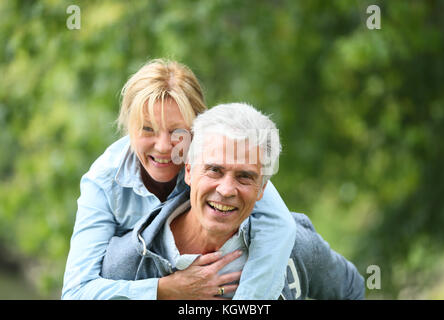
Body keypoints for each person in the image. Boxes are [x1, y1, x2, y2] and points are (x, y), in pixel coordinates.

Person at [61, 59, 297, 299]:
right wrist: (164, 290)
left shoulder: (221, 161)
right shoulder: (103, 180)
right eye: (148, 129)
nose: (163, 147)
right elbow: (75, 292)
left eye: (177, 132)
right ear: (129, 129)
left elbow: (281, 225)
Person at [101, 103, 366, 299]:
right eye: (215, 170)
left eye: (245, 177)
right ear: (189, 170)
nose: (227, 190)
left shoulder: (296, 246)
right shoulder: (128, 263)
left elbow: (352, 288)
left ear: (262, 188)